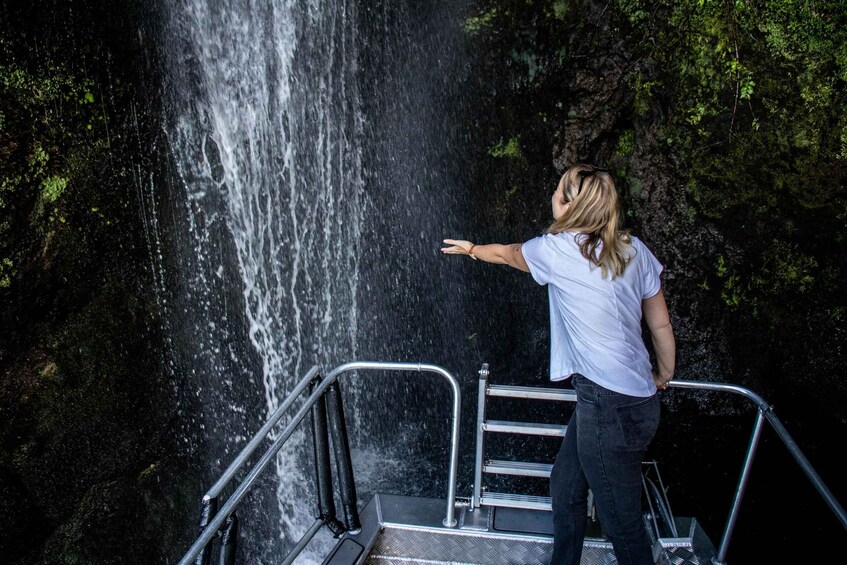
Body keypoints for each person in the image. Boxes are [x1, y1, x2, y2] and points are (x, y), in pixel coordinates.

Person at [441, 163, 676, 565]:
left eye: (557, 191)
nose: (551, 195)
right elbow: (659, 322)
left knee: (623, 523)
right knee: (566, 485)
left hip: (607, 408)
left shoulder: (556, 249)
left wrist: (472, 250)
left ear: (569, 205)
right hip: (631, 401)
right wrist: (664, 374)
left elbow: (507, 254)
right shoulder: (633, 249)